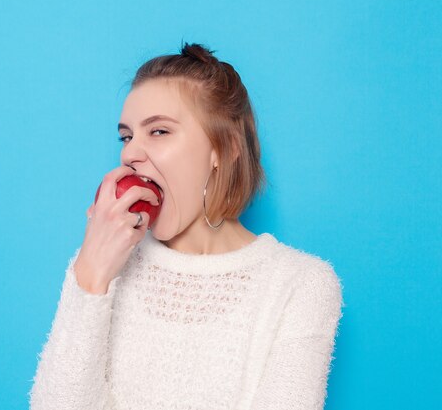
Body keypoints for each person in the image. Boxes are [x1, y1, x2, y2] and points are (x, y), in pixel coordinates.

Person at [29, 42, 344, 410]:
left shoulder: (301, 285)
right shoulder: (103, 269)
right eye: (127, 136)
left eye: (159, 131)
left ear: (223, 148)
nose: (130, 153)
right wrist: (91, 276)